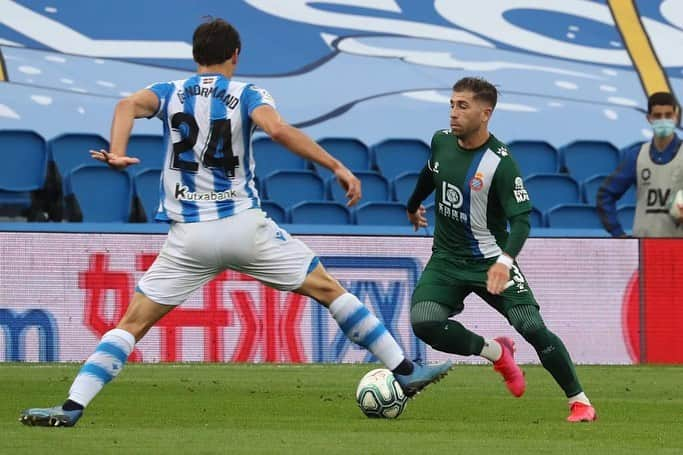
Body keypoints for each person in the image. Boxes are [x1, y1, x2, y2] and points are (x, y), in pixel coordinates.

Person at [19, 18, 451, 427]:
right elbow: (278, 130)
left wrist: (117, 150)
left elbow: (125, 104)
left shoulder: (169, 91)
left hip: (189, 237)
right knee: (326, 289)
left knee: (132, 323)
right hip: (243, 226)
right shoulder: (246, 95)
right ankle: (405, 369)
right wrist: (336, 165)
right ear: (236, 56)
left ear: (195, 55)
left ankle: (72, 405)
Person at [405, 77, 596, 422]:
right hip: (446, 260)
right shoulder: (441, 141)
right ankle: (496, 353)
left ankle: (579, 401)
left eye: (463, 106)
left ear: (485, 113)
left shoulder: (501, 163)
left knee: (532, 327)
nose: (453, 113)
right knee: (424, 321)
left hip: (491, 260)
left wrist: (505, 262)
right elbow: (429, 173)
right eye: (451, 104)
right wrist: (412, 204)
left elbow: (522, 221)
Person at [597, 91, 683, 237]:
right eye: (657, 116)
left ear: (676, 117)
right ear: (649, 118)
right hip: (645, 248)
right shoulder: (636, 156)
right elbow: (605, 195)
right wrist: (618, 234)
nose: (663, 120)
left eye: (668, 115)